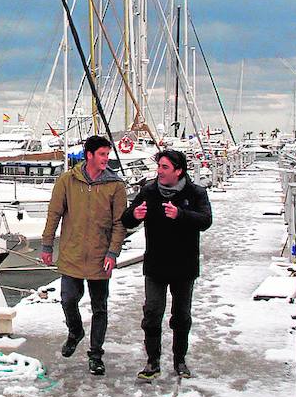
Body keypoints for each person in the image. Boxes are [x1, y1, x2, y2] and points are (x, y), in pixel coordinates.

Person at [122, 148, 212, 381]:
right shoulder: (149, 191)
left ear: (178, 171)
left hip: (184, 265)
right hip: (156, 265)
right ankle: (152, 361)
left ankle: (179, 359)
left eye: (165, 167)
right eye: (159, 167)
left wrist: (180, 214)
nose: (159, 172)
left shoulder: (195, 193)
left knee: (181, 316)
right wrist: (135, 215)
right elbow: (127, 218)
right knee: (152, 313)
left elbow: (206, 221)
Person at [40, 135, 127, 376]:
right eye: (102, 154)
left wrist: (113, 252)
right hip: (72, 254)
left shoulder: (115, 185)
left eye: (107, 155)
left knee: (99, 307)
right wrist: (47, 245)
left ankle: (96, 355)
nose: (105, 159)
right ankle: (75, 331)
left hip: (101, 257)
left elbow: (120, 223)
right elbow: (54, 213)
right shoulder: (68, 180)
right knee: (68, 299)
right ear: (89, 155)